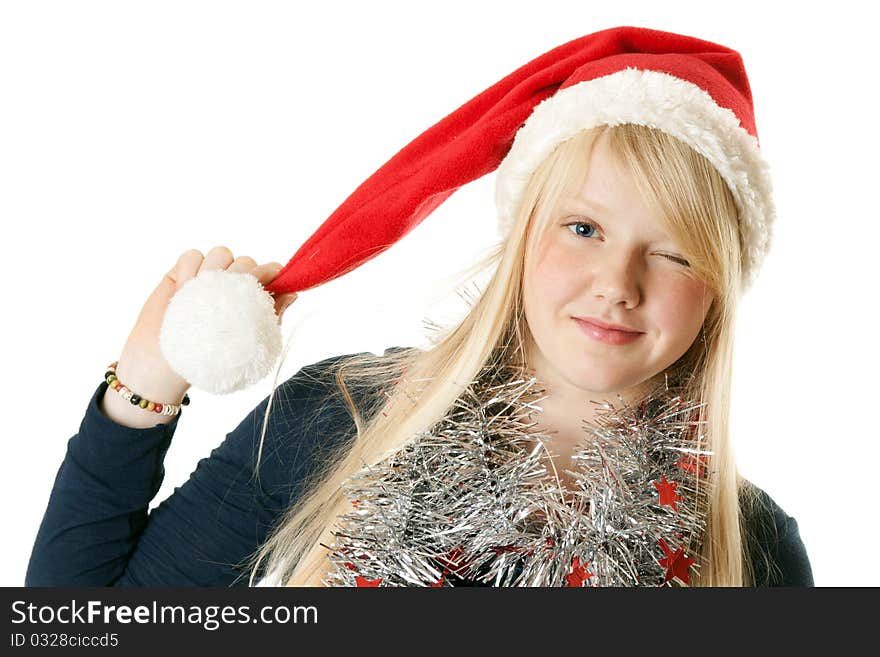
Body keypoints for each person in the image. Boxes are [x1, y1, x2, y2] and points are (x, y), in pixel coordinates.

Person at [26, 26, 813, 587]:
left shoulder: (753, 550)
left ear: (718, 283)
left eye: (673, 250)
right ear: (523, 233)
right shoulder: (340, 417)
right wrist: (142, 389)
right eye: (584, 227)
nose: (617, 280)